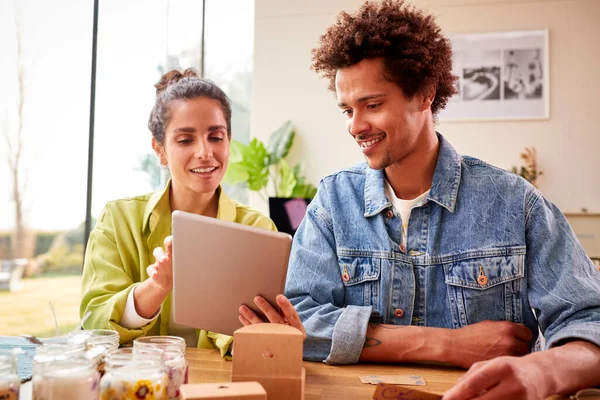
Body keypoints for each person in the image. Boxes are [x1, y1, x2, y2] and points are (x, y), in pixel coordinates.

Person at [239, 1, 600, 398]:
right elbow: (297, 321)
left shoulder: (516, 204)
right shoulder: (333, 202)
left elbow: (590, 321)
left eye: (372, 105)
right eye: (347, 109)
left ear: (425, 94)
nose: (355, 126)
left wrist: (540, 372)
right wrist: (446, 344)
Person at [80, 68, 298, 358]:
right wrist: (155, 288)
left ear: (229, 141)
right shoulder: (118, 220)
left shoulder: (259, 229)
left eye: (216, 137)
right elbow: (94, 321)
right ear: (160, 149)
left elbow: (266, 346)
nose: (205, 152)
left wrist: (281, 334)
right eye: (185, 140)